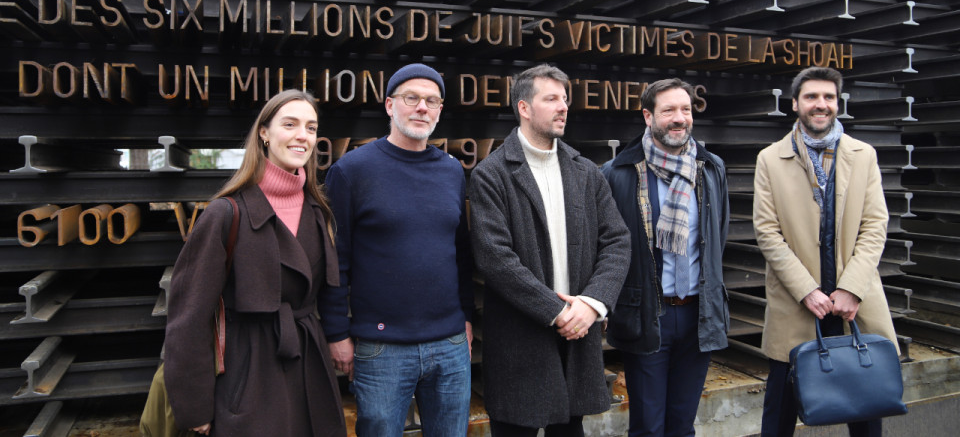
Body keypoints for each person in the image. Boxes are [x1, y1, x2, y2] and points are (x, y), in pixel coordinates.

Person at [164, 89, 346, 437]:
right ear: (264, 132)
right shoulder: (225, 213)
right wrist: (195, 407)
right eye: (289, 124)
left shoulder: (318, 211)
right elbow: (188, 318)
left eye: (311, 127)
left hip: (309, 367)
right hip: (247, 371)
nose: (302, 136)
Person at [469, 63, 631, 437]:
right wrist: (559, 312)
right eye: (552, 99)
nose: (563, 107)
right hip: (520, 341)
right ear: (524, 108)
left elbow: (617, 241)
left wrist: (592, 304)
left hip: (578, 337)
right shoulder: (492, 174)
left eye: (565, 99)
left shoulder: (585, 171)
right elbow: (495, 258)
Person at [323, 63, 474, 437]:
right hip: (381, 349)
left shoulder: (452, 172)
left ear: (440, 110)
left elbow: (461, 253)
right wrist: (336, 333)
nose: (422, 107)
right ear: (390, 105)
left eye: (431, 100)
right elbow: (334, 260)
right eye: (412, 98)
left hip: (450, 344)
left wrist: (466, 319)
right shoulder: (351, 171)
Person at [753, 66, 899, 437]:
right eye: (812, 97)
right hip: (796, 304)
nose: (821, 105)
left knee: (867, 409)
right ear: (796, 104)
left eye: (829, 97)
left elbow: (874, 226)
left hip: (855, 305)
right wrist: (806, 290)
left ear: (838, 103)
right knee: (779, 417)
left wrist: (852, 288)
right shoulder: (770, 158)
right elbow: (767, 232)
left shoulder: (863, 155)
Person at [601, 78, 730, 437]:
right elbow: (606, 247)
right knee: (648, 427)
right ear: (648, 116)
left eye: (685, 109)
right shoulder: (619, 174)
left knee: (682, 424)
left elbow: (718, 235)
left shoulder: (711, 168)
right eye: (669, 110)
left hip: (698, 316)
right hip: (647, 316)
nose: (679, 118)